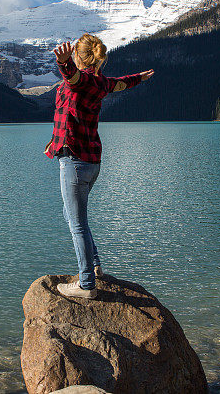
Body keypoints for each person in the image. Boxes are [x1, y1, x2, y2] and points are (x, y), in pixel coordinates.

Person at [44, 33, 154, 299]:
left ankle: (86, 284)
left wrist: (63, 63)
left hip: (74, 162)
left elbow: (72, 77)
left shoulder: (79, 81)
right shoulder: (102, 83)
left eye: (74, 58)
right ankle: (94, 264)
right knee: (73, 216)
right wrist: (139, 78)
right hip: (91, 161)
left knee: (76, 224)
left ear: (79, 57)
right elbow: (122, 83)